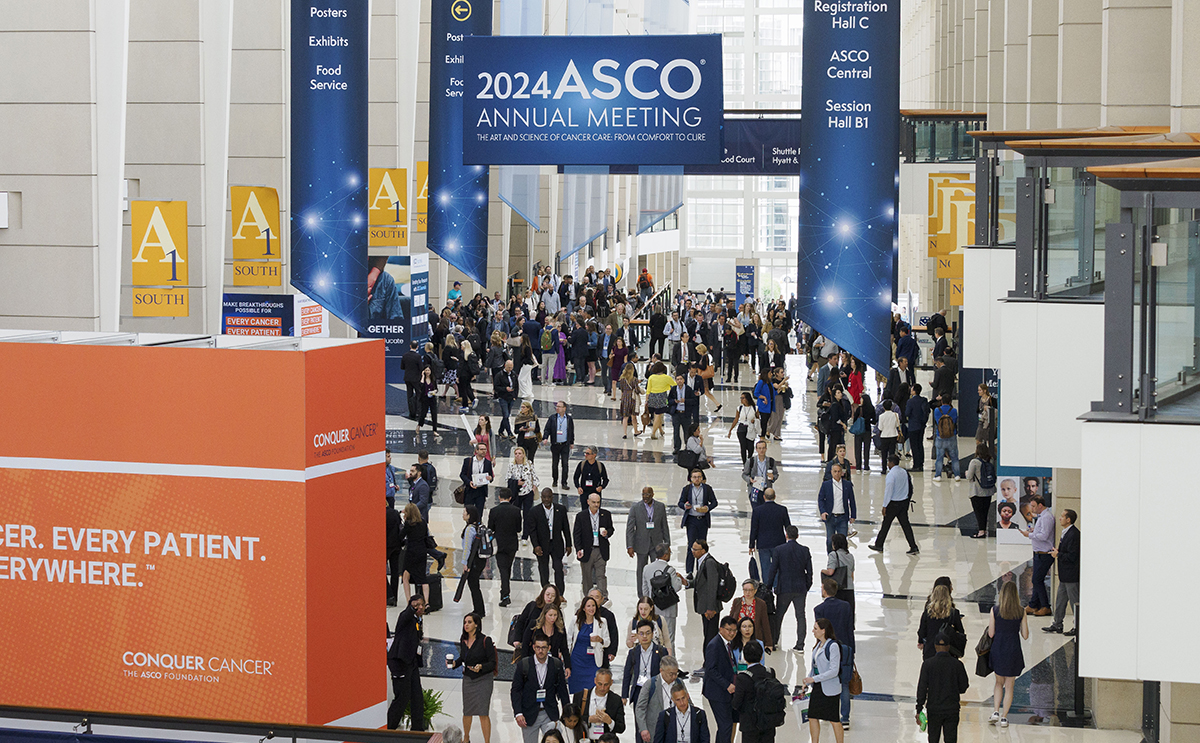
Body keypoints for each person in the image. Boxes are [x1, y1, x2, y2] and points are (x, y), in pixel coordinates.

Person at [512, 633, 573, 743]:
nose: (541, 651)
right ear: (534, 647)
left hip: (549, 712)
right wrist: (518, 713)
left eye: (544, 647)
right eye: (538, 647)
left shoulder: (556, 664)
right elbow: (515, 690)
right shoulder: (524, 665)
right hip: (529, 714)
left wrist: (567, 711)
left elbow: (562, 690)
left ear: (549, 648)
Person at [987, 581, 1029, 728]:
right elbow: (1025, 635)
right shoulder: (1021, 611)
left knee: (999, 683)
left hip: (998, 649)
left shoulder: (995, 610)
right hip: (1013, 650)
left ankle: (995, 712)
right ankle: (1004, 717)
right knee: (1009, 686)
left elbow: (991, 633)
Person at [915, 631, 970, 743]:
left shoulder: (928, 664)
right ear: (949, 647)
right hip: (952, 709)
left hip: (934, 709)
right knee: (951, 739)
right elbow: (964, 687)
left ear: (935, 646)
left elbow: (922, 687)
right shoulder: (957, 665)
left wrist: (919, 708)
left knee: (933, 739)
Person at [813, 579, 854, 728]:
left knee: (826, 679)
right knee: (844, 683)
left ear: (824, 590)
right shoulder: (846, 606)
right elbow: (850, 629)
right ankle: (845, 718)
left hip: (826, 648)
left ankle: (827, 712)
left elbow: (818, 632)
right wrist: (852, 650)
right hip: (844, 648)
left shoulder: (819, 609)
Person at [766, 525, 813, 652]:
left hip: (784, 588)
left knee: (779, 616)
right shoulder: (805, 550)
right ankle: (800, 645)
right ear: (797, 536)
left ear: (786, 535)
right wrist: (807, 585)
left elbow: (773, 570)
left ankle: (774, 641)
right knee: (800, 616)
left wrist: (768, 587)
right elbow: (809, 571)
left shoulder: (779, 550)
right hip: (800, 588)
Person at [452, 613, 497, 743]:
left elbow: (492, 662)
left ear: (476, 624)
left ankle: (487, 741)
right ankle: (466, 738)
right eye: (465, 622)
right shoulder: (463, 639)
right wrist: (455, 664)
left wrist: (481, 667)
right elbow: (463, 657)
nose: (466, 625)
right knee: (467, 711)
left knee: (483, 712)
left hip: (484, 679)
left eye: (469, 622)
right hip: (468, 679)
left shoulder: (485, 640)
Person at [387, 595, 427, 730]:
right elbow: (406, 614)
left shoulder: (418, 620)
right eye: (417, 605)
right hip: (400, 663)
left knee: (417, 698)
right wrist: (412, 607)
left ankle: (417, 730)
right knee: (402, 698)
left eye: (422, 604)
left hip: (412, 663)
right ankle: (389, 729)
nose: (420, 607)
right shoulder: (406, 616)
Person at [868, 455, 920, 555]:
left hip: (893, 504)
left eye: (888, 462)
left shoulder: (891, 475)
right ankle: (913, 546)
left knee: (886, 525)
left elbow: (888, 491)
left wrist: (884, 506)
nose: (887, 464)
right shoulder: (904, 472)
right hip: (903, 503)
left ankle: (879, 545)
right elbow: (909, 486)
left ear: (891, 463)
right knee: (906, 526)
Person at [804, 618, 844, 743]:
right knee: (812, 716)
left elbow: (834, 671)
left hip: (829, 688)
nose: (813, 631)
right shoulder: (818, 646)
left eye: (816, 629)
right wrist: (808, 681)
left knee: (834, 719)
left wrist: (814, 679)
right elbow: (815, 667)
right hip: (818, 687)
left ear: (823, 630)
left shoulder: (833, 646)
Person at [732, 642, 780, 743]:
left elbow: (737, 703)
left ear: (744, 658)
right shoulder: (770, 672)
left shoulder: (742, 678)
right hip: (768, 721)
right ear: (761, 656)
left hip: (749, 724)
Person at [702, 616, 738, 743]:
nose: (732, 633)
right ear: (721, 629)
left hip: (726, 692)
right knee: (725, 725)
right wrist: (727, 684)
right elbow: (710, 669)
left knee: (727, 725)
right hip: (717, 692)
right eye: (729, 630)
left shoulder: (728, 643)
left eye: (734, 630)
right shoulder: (714, 644)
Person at [1044, 509, 1080, 635]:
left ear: (1068, 519)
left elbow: (1072, 556)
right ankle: (1057, 624)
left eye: (1062, 516)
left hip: (1071, 575)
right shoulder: (1066, 533)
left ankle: (1078, 626)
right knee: (1060, 601)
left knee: (1074, 601)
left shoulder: (1074, 534)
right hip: (1065, 575)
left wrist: (1058, 554)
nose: (1060, 518)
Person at [642, 544, 686, 647]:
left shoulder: (647, 568)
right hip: (668, 609)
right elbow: (677, 587)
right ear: (665, 555)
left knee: (654, 637)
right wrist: (679, 578)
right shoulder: (670, 570)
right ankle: (669, 661)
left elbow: (645, 591)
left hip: (653, 609)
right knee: (669, 639)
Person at [530, 487, 572, 594]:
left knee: (558, 568)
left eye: (549, 497)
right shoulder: (535, 511)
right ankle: (546, 592)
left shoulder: (561, 509)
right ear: (541, 497)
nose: (546, 499)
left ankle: (560, 593)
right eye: (544, 497)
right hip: (542, 545)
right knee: (543, 569)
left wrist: (569, 544)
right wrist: (536, 546)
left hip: (556, 544)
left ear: (552, 497)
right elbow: (532, 531)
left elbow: (566, 528)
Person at [568, 595, 611, 695]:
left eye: (593, 606)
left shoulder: (602, 622)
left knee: (592, 690)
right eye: (588, 606)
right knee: (577, 691)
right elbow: (569, 639)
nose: (591, 608)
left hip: (593, 661)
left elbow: (607, 642)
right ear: (583, 608)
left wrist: (600, 640)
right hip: (577, 661)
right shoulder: (575, 620)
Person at [1020, 495, 1055, 616]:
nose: (1032, 509)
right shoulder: (1042, 517)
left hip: (1044, 554)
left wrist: (1029, 535)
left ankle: (1045, 606)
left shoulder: (1046, 518)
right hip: (1038, 553)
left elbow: (1044, 536)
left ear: (1040, 505)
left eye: (1034, 506)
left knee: (1037, 580)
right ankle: (1033, 604)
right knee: (1036, 579)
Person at [574, 493, 615, 596]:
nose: (596, 505)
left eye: (598, 502)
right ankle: (588, 597)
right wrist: (578, 549)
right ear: (588, 502)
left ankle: (603, 597)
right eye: (594, 502)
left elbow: (611, 529)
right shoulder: (581, 516)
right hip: (587, 550)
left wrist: (607, 533)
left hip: (601, 549)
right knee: (587, 576)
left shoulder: (606, 514)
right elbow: (576, 534)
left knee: (601, 575)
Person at [488, 487, 523, 607]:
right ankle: (505, 592)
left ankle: (505, 595)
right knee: (507, 568)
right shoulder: (516, 510)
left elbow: (490, 528)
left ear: (499, 497)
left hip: (499, 545)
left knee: (503, 569)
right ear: (510, 498)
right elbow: (519, 528)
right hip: (512, 544)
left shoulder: (494, 511)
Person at [627, 486, 671, 580]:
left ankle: (656, 591)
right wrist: (630, 545)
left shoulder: (660, 506)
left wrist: (667, 544)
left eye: (647, 494)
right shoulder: (635, 508)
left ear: (652, 494)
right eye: (643, 494)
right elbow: (630, 528)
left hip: (657, 544)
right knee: (641, 570)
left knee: (657, 569)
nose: (645, 497)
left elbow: (664, 526)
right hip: (641, 543)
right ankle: (641, 593)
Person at [678, 470, 718, 572]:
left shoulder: (707, 489)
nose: (697, 479)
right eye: (694, 477)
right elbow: (680, 502)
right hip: (691, 520)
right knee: (691, 545)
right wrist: (685, 506)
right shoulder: (686, 489)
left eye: (699, 477)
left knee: (702, 546)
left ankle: (701, 569)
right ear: (691, 479)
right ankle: (689, 571)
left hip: (703, 520)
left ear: (702, 478)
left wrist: (707, 508)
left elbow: (714, 502)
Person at [622, 619, 669, 706]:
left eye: (648, 633)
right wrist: (624, 695)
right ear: (637, 635)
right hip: (638, 690)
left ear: (652, 634)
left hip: (655, 690)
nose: (644, 636)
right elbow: (627, 673)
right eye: (641, 633)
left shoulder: (661, 651)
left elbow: (666, 673)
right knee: (639, 717)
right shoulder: (633, 652)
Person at [634, 656, 680, 743]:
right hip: (654, 731)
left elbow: (688, 704)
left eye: (676, 673)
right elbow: (640, 708)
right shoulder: (650, 684)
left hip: (675, 729)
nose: (674, 677)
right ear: (661, 671)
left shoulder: (679, 683)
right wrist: (643, 729)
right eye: (671, 674)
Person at [571, 666, 625, 740]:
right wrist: (588, 719)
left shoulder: (616, 700)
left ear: (611, 683)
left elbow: (621, 728)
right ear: (595, 681)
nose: (602, 688)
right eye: (600, 684)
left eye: (606, 685)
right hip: (585, 740)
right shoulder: (580, 696)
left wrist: (610, 722)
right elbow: (572, 720)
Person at [748, 488, 790, 581]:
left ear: (764, 497)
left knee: (765, 567)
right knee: (778, 566)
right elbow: (788, 526)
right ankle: (777, 586)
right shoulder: (782, 510)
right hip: (779, 543)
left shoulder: (757, 511)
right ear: (775, 497)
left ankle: (767, 588)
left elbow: (754, 529)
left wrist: (751, 545)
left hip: (763, 543)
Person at [513, 584, 564, 658]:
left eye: (553, 595)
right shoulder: (532, 606)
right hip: (530, 645)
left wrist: (560, 650)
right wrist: (517, 639)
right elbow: (521, 622)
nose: (550, 597)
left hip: (549, 648)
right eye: (547, 594)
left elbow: (561, 629)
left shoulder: (557, 611)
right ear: (543, 594)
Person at [917, 585, 965, 661]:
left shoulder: (927, 612)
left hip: (930, 650)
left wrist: (920, 642)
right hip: (949, 650)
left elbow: (922, 631)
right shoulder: (954, 612)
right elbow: (961, 631)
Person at [817, 462, 857, 553]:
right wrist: (823, 512)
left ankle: (841, 560)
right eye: (835, 471)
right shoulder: (826, 485)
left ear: (842, 472)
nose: (837, 473)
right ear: (831, 472)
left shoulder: (847, 485)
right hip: (830, 517)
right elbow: (820, 499)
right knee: (830, 541)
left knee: (842, 541)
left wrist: (853, 515)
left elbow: (852, 500)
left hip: (843, 517)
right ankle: (831, 559)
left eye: (839, 471)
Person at [523, 603, 572, 670]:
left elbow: (564, 649)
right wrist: (524, 663)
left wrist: (567, 666)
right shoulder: (534, 625)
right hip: (534, 662)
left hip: (552, 664)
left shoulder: (560, 629)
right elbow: (525, 644)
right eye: (550, 615)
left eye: (555, 615)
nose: (553, 618)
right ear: (545, 615)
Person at [398, 502, 430, 604]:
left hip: (411, 552)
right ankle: (427, 602)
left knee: (405, 576)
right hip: (422, 551)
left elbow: (400, 537)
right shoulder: (423, 522)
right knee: (423, 578)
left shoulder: (408, 524)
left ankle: (409, 600)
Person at [963, 443, 995, 539]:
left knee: (978, 512)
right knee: (985, 512)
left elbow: (969, 477)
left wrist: (966, 473)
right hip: (988, 491)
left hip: (977, 491)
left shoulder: (974, 462)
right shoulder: (991, 460)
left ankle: (981, 531)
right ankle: (983, 529)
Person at [730, 580, 774, 650]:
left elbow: (765, 624)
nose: (747, 592)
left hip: (755, 638)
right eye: (745, 590)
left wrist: (769, 643)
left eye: (750, 590)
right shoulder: (737, 602)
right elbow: (731, 620)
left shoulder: (761, 604)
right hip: (738, 638)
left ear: (755, 591)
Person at [821, 533, 856, 622]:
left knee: (837, 618)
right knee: (848, 616)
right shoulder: (850, 556)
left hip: (838, 589)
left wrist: (822, 571)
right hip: (850, 589)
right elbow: (852, 575)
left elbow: (830, 571)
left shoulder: (833, 555)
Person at [459, 506, 486, 616]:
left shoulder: (470, 529)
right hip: (479, 561)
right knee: (475, 585)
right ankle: (479, 609)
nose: (463, 514)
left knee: (474, 586)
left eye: (464, 512)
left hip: (473, 562)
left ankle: (479, 610)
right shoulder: (479, 526)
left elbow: (467, 548)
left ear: (469, 515)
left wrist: (465, 563)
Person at [543, 401, 575, 490]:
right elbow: (547, 429)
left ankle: (564, 482)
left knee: (565, 464)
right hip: (555, 445)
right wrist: (545, 438)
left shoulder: (569, 419)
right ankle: (555, 480)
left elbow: (571, 431)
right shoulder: (552, 418)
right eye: (557, 406)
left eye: (559, 407)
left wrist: (571, 442)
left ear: (564, 408)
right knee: (555, 464)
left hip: (565, 445)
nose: (557, 408)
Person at [506, 446, 540, 527]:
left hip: (528, 492)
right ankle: (517, 530)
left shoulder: (529, 464)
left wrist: (533, 489)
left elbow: (535, 477)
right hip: (516, 493)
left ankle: (525, 535)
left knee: (527, 515)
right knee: (516, 514)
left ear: (523, 455)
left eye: (519, 453)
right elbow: (507, 478)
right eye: (516, 454)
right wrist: (516, 483)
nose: (518, 455)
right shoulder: (511, 465)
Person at [741, 439, 779, 510]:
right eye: (759, 448)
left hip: (767, 489)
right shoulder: (751, 461)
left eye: (763, 448)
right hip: (755, 489)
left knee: (767, 510)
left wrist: (773, 477)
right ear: (756, 449)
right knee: (756, 510)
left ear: (766, 449)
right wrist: (749, 479)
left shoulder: (771, 461)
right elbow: (744, 474)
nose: (761, 450)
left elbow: (776, 474)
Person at [931, 396, 962, 481]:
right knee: (954, 457)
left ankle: (938, 475)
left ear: (941, 401)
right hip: (952, 435)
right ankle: (957, 475)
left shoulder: (937, 411)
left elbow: (937, 422)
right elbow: (955, 421)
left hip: (940, 436)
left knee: (939, 457)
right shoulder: (954, 411)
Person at [460, 443, 494, 517]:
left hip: (481, 491)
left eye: (485, 449)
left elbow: (491, 477)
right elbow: (462, 474)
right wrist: (469, 482)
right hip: (470, 490)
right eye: (481, 449)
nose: (484, 451)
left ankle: (477, 526)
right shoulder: (468, 461)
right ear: (476, 450)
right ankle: (469, 527)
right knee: (469, 512)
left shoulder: (488, 463)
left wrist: (490, 478)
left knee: (479, 513)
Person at [670, 373, 701, 451]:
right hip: (676, 413)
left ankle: (688, 447)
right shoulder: (673, 389)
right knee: (676, 431)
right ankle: (676, 448)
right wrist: (674, 401)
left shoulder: (688, 389)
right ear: (675, 381)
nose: (679, 381)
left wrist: (685, 401)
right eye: (677, 379)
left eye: (681, 379)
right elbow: (668, 400)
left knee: (687, 431)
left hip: (685, 413)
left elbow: (694, 401)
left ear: (684, 380)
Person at [905, 384, 930, 472]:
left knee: (914, 445)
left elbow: (907, 413)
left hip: (913, 426)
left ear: (914, 391)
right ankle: (921, 463)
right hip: (921, 425)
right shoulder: (924, 400)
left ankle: (916, 465)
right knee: (920, 444)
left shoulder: (910, 402)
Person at [727, 392, 759, 462]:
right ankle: (745, 464)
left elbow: (758, 419)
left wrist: (755, 421)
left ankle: (750, 460)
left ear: (747, 399)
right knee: (743, 447)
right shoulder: (740, 408)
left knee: (750, 447)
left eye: (743, 398)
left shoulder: (755, 408)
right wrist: (730, 430)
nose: (741, 400)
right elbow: (736, 419)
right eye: (741, 398)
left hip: (751, 428)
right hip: (741, 428)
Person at [617, 363, 644, 438]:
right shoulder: (634, 379)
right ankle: (636, 431)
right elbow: (636, 389)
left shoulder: (622, 379)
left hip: (625, 397)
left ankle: (625, 433)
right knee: (633, 416)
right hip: (632, 398)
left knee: (625, 417)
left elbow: (621, 389)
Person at [494, 359, 518, 439]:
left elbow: (516, 386)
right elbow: (496, 387)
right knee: (506, 415)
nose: (510, 369)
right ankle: (509, 432)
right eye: (508, 367)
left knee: (505, 416)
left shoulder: (514, 374)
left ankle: (500, 431)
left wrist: (515, 396)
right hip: (503, 397)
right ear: (505, 366)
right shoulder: (499, 375)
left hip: (511, 397)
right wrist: (505, 389)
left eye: (511, 367)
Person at [415, 366, 442, 436]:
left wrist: (434, 391)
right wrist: (422, 377)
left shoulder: (433, 379)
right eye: (426, 370)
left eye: (428, 370)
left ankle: (435, 430)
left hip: (432, 398)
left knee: (434, 414)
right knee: (423, 413)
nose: (427, 372)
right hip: (425, 398)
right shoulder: (422, 379)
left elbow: (436, 388)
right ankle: (419, 425)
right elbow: (420, 385)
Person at [876, 399, 901, 474]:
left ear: (883, 407)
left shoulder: (881, 416)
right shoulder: (895, 415)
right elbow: (897, 425)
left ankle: (884, 469)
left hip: (884, 436)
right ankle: (892, 468)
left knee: (884, 453)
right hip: (893, 435)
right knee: (892, 453)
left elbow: (880, 428)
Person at [753, 369, 777, 442]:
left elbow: (773, 393)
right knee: (763, 421)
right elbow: (756, 393)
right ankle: (762, 437)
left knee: (766, 421)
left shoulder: (769, 383)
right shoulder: (761, 382)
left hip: (770, 405)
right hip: (763, 405)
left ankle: (763, 435)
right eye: (770, 373)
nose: (771, 374)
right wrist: (763, 397)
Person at [386, 503, 402, 607]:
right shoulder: (395, 513)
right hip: (396, 545)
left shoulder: (381, 514)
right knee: (395, 572)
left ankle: (389, 594)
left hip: (386, 546)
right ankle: (395, 597)